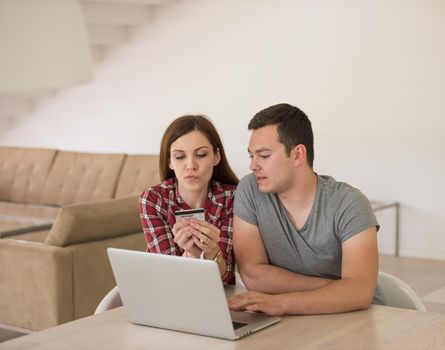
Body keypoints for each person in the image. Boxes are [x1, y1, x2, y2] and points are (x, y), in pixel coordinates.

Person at [229, 103, 383, 315]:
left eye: (264, 156)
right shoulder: (250, 189)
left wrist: (282, 302)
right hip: (297, 323)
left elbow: (360, 293)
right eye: (251, 156)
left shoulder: (349, 204)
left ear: (298, 155)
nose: (253, 166)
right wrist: (338, 289)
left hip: (357, 319)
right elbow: (253, 275)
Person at [139, 115, 238, 284]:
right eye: (179, 157)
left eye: (201, 154)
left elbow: (226, 278)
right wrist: (191, 254)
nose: (190, 165)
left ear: (216, 156)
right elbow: (167, 278)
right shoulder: (153, 199)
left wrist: (213, 251)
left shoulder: (232, 197)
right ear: (169, 161)